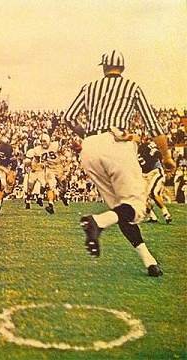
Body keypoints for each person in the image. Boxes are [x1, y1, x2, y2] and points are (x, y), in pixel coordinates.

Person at [64, 50, 176, 277]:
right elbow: (153, 127)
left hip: (90, 147)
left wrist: (90, 135)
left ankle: (149, 261)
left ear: (104, 68)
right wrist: (166, 157)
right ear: (122, 69)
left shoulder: (89, 87)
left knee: (122, 211)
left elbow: (69, 117)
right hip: (116, 144)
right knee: (135, 208)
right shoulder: (132, 87)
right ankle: (96, 221)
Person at [23, 133, 70, 214]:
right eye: (41, 141)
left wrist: (67, 165)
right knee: (49, 186)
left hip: (59, 168)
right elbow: (36, 159)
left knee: (64, 188)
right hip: (48, 169)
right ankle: (50, 205)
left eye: (44, 141)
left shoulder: (56, 145)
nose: (43, 143)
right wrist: (33, 164)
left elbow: (68, 155)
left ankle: (62, 195)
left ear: (48, 140)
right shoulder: (37, 150)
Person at [137, 139, 172, 223]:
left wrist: (164, 165)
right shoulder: (128, 153)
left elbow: (157, 154)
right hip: (144, 175)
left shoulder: (145, 146)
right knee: (141, 197)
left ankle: (166, 214)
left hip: (155, 172)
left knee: (153, 192)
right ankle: (152, 216)